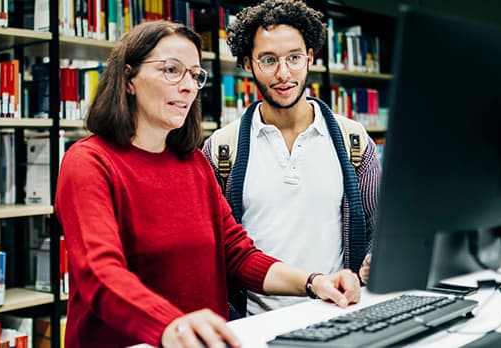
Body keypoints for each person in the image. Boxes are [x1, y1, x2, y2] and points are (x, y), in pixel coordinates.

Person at [55, 20, 361, 348]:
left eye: (194, 75)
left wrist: (315, 283)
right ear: (129, 79)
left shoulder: (195, 162)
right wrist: (171, 325)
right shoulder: (89, 163)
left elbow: (237, 254)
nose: (187, 86)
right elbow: (99, 274)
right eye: (171, 70)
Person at [202, 0, 380, 316]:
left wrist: (372, 262)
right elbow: (219, 251)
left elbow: (376, 230)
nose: (284, 74)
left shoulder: (355, 143)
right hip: (253, 323)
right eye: (268, 60)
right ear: (248, 63)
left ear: (310, 57)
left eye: (294, 58)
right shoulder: (219, 150)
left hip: (335, 312)